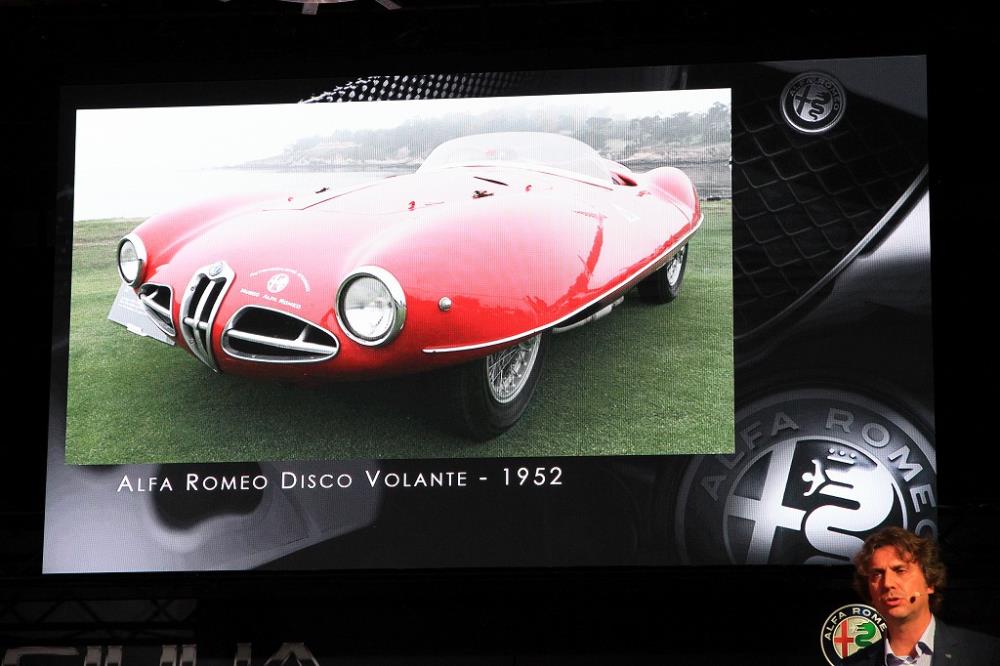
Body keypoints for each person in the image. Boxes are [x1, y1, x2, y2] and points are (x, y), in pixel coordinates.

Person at [846, 526, 1000, 665]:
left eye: (900, 571)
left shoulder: (985, 653)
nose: (887, 583)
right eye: (877, 574)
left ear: (929, 582)